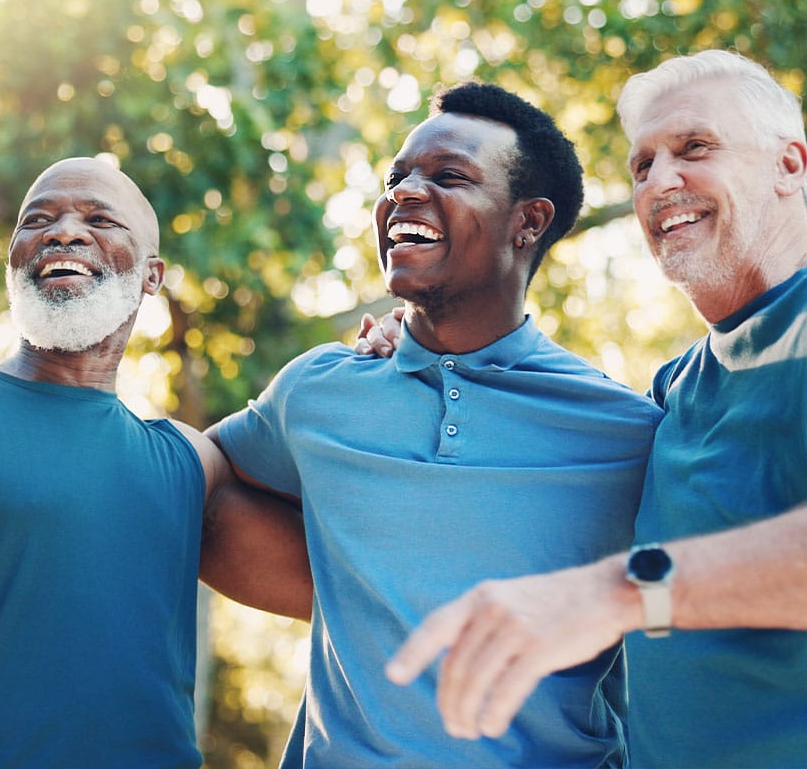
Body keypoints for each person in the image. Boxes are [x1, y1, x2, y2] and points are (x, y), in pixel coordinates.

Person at [383, 50, 807, 766]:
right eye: (641, 166)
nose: (659, 182)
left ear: (788, 166)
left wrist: (622, 592)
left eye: (693, 149)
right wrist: (422, 342)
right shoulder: (677, 389)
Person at [208, 83, 661, 766]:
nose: (405, 194)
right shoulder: (316, 392)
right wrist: (357, 601)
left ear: (528, 222)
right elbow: (194, 493)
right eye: (397, 177)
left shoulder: (625, 432)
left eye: (449, 176)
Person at [0, 157, 312, 768]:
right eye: (38, 220)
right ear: (15, 259)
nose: (63, 232)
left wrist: (391, 364)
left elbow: (352, 589)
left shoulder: (188, 462)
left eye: (100, 219)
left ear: (152, 276)